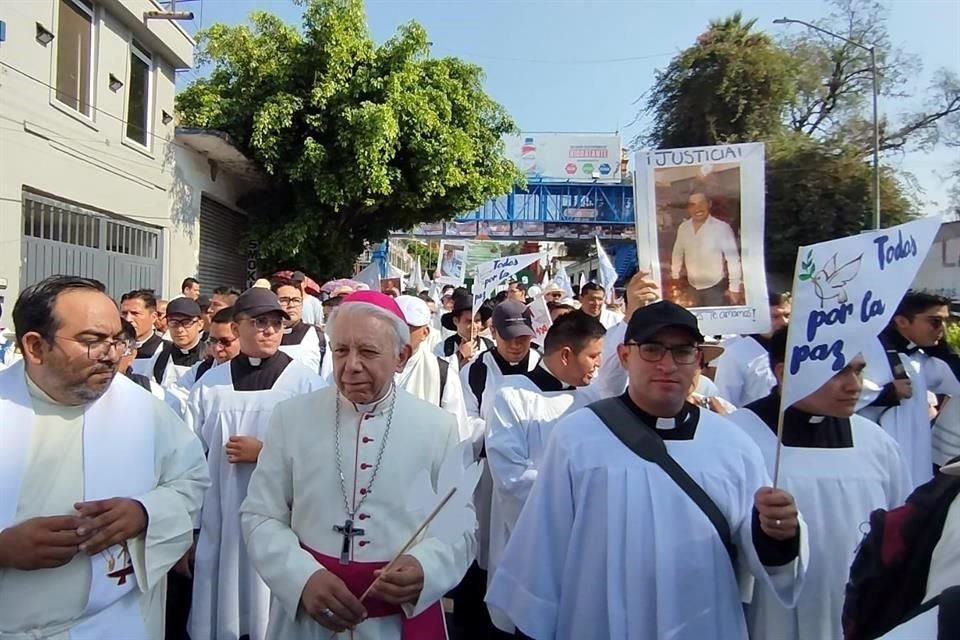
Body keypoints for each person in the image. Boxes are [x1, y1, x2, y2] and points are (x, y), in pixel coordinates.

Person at [486, 301, 807, 640]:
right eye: (652, 350)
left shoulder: (733, 444)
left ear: (698, 360)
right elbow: (544, 547)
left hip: (701, 621)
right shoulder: (577, 437)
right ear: (625, 356)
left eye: (682, 351)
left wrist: (777, 533)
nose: (667, 364)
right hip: (599, 621)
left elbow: (756, 551)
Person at [239, 291, 475, 639]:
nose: (351, 366)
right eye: (340, 351)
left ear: (401, 356)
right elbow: (260, 515)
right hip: (308, 619)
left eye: (367, 352)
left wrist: (426, 567)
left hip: (396, 623)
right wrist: (302, 578)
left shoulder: (438, 427)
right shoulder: (292, 418)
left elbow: (461, 527)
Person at [0, 276, 209, 640]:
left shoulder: (142, 410)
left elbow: (192, 481)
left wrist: (144, 512)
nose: (112, 354)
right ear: (35, 346)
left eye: (117, 339)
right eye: (92, 341)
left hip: (113, 622)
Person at [727, 327, 910, 640]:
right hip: (768, 616)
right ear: (785, 372)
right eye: (837, 371)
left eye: (858, 370)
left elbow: (901, 530)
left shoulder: (876, 443)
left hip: (858, 612)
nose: (854, 386)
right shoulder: (735, 438)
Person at [187, 288, 325, 640]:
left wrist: (265, 452)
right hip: (222, 516)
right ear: (236, 327)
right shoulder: (209, 386)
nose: (268, 330)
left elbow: (323, 452)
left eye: (275, 323)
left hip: (284, 518)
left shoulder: (305, 382)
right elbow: (187, 460)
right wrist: (187, 531)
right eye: (258, 322)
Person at [484, 311, 605, 634]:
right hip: (530, 539)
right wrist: (576, 509)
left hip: (585, 542)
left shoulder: (594, 400)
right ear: (566, 354)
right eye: (593, 356)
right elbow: (511, 477)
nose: (598, 364)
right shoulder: (512, 396)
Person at [454, 299, 543, 638]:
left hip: (531, 475)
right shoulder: (476, 372)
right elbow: (466, 423)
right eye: (510, 338)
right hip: (488, 479)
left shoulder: (542, 369)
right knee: (483, 551)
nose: (518, 345)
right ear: (493, 333)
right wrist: (501, 432)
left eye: (523, 338)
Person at [860, 291, 960, 487]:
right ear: (902, 321)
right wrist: (886, 393)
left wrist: (943, 349)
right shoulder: (868, 347)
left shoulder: (920, 357)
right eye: (935, 322)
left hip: (914, 452)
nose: (942, 329)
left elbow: (955, 382)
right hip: (875, 450)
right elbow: (832, 387)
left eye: (945, 322)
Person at [395, 295, 471, 441]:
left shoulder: (442, 373)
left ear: (425, 333)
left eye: (408, 327)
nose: (400, 333)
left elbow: (458, 433)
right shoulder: (373, 367)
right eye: (394, 325)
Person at [714, 292, 792, 407]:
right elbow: (725, 401)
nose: (784, 322)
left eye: (787, 315)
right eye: (775, 317)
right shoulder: (735, 353)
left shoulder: (796, 350)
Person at [670, 188, 744, 307]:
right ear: (688, 208)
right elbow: (677, 253)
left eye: (701, 203)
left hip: (715, 288)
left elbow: (733, 259)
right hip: (690, 287)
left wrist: (734, 288)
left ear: (709, 204)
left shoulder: (722, 228)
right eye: (693, 205)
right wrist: (675, 276)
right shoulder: (683, 228)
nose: (697, 208)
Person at [272, 280, 330, 379]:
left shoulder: (317, 337)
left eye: (296, 300)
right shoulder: (264, 337)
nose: (291, 305)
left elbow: (328, 378)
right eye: (284, 300)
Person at [151, 297, 205, 388]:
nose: (179, 329)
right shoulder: (159, 358)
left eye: (187, 322)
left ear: (200, 325)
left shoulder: (208, 358)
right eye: (174, 323)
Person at [435, 292, 494, 369]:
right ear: (456, 321)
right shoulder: (442, 348)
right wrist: (459, 356)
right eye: (469, 321)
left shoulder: (489, 346)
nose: (474, 326)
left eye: (477, 321)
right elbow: (437, 374)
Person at [120, 289, 167, 377]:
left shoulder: (165, 351)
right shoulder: (113, 349)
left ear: (153, 317)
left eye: (135, 313)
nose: (128, 319)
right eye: (124, 313)